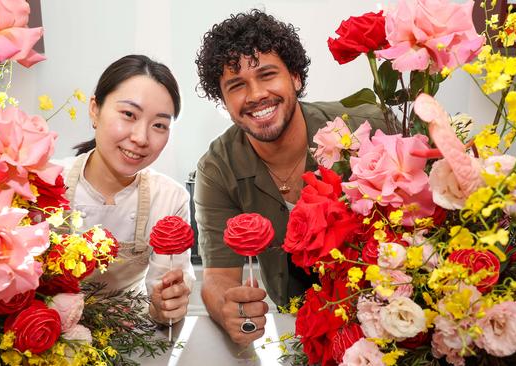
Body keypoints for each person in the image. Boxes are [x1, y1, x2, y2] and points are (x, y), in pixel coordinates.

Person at [194, 10, 388, 345]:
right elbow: (218, 277)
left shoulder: (366, 129)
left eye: (267, 74)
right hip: (300, 331)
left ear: (295, 76)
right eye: (237, 85)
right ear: (223, 101)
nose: (255, 95)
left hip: (388, 319)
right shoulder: (216, 169)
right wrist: (228, 306)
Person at [55, 55, 194, 325]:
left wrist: (166, 307)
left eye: (159, 125)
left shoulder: (169, 198)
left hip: (131, 338)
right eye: (129, 115)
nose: (141, 138)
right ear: (94, 109)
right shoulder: (45, 181)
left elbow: (163, 294)